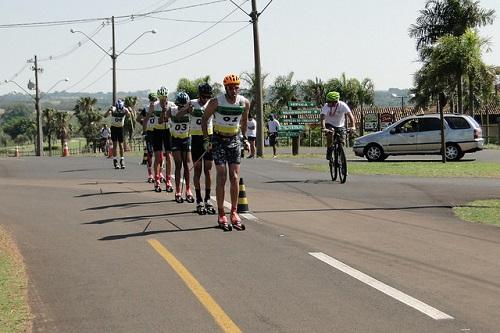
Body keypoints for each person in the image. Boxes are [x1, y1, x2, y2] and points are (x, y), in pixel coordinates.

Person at [201, 74, 250, 231]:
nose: (234, 90)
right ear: (225, 88)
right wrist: (207, 140)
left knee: (234, 177)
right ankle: (221, 212)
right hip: (218, 139)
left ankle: (234, 212)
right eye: (230, 88)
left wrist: (245, 139)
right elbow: (204, 119)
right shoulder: (216, 101)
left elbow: (244, 121)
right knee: (221, 176)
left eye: (236, 87)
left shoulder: (244, 102)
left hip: (234, 139)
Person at [190, 83, 216, 215]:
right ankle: (198, 199)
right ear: (199, 95)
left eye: (208, 96)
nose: (205, 99)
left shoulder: (212, 103)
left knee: (208, 169)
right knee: (198, 170)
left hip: (209, 137)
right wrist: (186, 109)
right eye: (203, 96)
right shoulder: (192, 103)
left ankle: (208, 198)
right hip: (196, 138)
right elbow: (179, 115)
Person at [146, 86, 174, 192]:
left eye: (165, 97)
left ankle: (168, 180)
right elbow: (151, 118)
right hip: (157, 131)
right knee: (158, 157)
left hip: (168, 131)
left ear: (167, 96)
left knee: (169, 156)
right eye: (161, 97)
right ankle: (157, 179)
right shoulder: (154, 105)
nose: (163, 99)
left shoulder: (171, 105)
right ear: (159, 97)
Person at [169, 91, 195, 203]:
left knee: (187, 164)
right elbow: (176, 115)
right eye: (180, 104)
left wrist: (190, 110)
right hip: (175, 139)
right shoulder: (173, 109)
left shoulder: (190, 111)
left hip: (186, 138)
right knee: (178, 164)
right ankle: (178, 190)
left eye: (184, 104)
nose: (181, 106)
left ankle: (188, 189)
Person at [320, 91, 356, 160]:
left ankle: (341, 157)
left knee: (342, 141)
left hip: (340, 125)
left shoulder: (342, 105)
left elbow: (350, 116)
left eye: (330, 102)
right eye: (328, 101)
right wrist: (323, 128)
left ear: (336, 101)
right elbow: (322, 117)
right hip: (329, 124)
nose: (329, 103)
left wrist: (353, 126)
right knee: (331, 132)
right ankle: (329, 150)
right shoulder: (326, 106)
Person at [104, 99, 131, 169]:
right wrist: (108, 110)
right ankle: (115, 160)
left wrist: (128, 111)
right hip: (114, 128)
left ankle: (122, 159)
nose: (119, 111)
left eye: (120, 110)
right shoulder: (113, 108)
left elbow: (129, 116)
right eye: (118, 109)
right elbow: (105, 115)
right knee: (115, 145)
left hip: (120, 128)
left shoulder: (125, 109)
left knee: (121, 145)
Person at [137, 92, 157, 182]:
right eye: (152, 100)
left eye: (155, 100)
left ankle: (159, 173)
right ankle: (150, 174)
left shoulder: (158, 108)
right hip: (149, 132)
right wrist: (143, 123)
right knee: (150, 153)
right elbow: (138, 118)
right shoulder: (146, 109)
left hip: (158, 131)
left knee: (159, 153)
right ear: (150, 100)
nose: (153, 101)